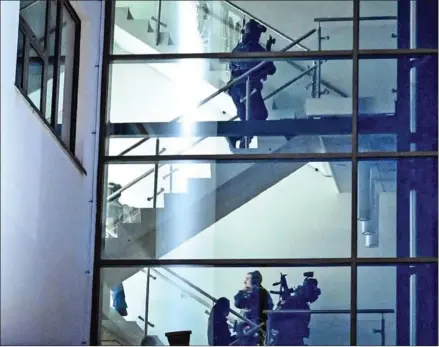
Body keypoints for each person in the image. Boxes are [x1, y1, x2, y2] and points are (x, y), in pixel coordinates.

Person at [227, 19, 277, 150]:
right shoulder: (254, 47)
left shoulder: (237, 48)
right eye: (258, 33)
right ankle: (237, 138)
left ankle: (241, 141)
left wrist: (267, 50)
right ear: (255, 33)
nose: (259, 36)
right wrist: (268, 52)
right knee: (260, 116)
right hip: (247, 88)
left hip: (235, 90)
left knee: (246, 122)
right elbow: (271, 68)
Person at [234, 271, 274, 345]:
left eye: (247, 279)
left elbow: (238, 303)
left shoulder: (254, 292)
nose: (244, 282)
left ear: (255, 280)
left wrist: (241, 292)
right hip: (257, 327)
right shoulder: (264, 292)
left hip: (251, 328)